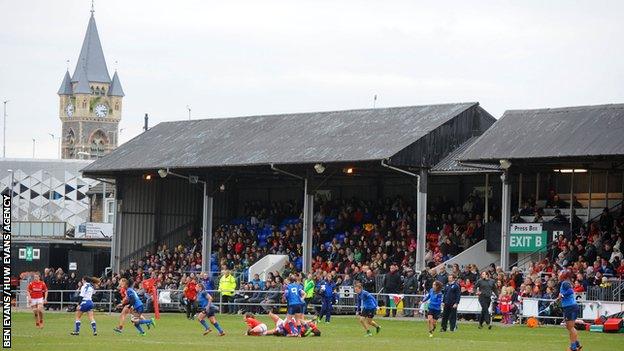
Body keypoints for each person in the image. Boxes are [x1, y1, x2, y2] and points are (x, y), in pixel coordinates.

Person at [558, 271, 582, 351]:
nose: (559, 275)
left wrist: (562, 295)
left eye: (560, 274)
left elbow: (571, 291)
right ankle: (577, 344)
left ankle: (573, 347)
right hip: (570, 307)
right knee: (569, 327)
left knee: (570, 327)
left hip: (570, 307)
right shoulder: (566, 282)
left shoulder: (565, 283)